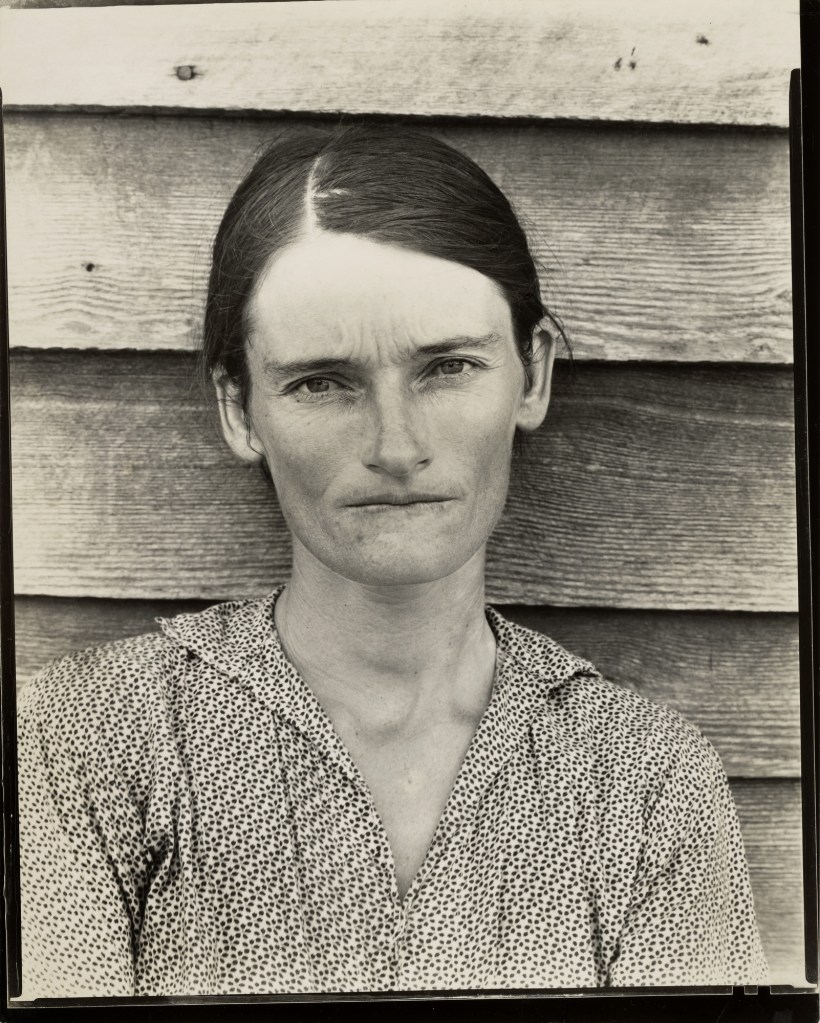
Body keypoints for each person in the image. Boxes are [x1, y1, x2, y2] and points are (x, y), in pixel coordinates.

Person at [16, 123, 767, 997]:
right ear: (239, 408)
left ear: (531, 374)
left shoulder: (645, 779)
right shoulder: (84, 741)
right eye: (322, 382)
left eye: (446, 366)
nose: (396, 445)